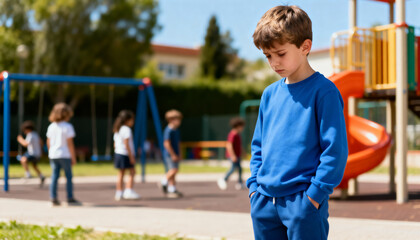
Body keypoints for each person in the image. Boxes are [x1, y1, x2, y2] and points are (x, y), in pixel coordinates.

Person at [247, 6, 348, 240]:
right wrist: (254, 189)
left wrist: (313, 197)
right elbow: (258, 147)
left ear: (305, 47)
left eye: (280, 54)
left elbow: (335, 151)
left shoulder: (324, 92)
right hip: (263, 202)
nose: (274, 63)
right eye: (268, 56)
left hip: (303, 205)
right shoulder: (269, 95)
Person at [46, 103, 80, 206]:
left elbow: (48, 141)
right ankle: (70, 197)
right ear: (66, 114)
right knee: (68, 176)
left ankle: (53, 197)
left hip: (54, 154)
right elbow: (70, 144)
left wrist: (50, 152)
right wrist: (73, 157)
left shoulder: (51, 126)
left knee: (54, 176)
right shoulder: (68, 126)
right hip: (64, 154)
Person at [113, 110, 140, 201]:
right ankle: (128, 191)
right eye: (132, 120)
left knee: (121, 173)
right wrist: (131, 156)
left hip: (118, 153)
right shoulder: (127, 129)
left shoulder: (117, 129)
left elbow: (115, 144)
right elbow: (126, 144)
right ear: (127, 120)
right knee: (132, 172)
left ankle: (119, 192)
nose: (133, 122)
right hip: (125, 154)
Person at [159, 109, 183, 198]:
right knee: (174, 169)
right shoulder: (168, 130)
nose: (179, 121)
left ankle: (172, 188)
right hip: (170, 154)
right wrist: (172, 154)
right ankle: (163, 181)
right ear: (171, 120)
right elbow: (166, 143)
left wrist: (180, 153)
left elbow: (178, 143)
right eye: (178, 119)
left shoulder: (176, 130)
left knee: (174, 171)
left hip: (176, 153)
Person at [217, 117, 245, 191]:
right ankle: (223, 179)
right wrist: (233, 156)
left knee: (240, 169)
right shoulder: (233, 134)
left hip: (237, 156)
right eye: (242, 126)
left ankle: (239, 183)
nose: (242, 128)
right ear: (238, 126)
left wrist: (243, 152)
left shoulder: (238, 135)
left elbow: (239, 146)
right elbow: (229, 145)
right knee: (233, 168)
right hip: (233, 156)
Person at [16, 120, 45, 186]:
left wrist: (20, 139)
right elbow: (41, 142)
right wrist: (40, 150)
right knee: (34, 165)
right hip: (37, 153)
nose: (24, 132)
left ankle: (28, 174)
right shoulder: (36, 134)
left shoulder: (30, 135)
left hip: (33, 153)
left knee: (23, 159)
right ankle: (41, 176)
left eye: (25, 130)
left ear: (27, 129)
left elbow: (26, 144)